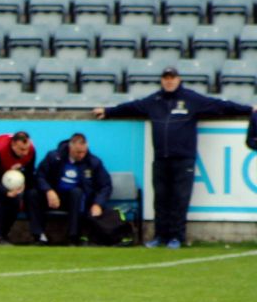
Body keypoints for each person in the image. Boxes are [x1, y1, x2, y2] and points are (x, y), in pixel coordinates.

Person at [94, 66, 254, 248]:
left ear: (178, 79)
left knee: (179, 200)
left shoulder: (191, 99)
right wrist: (108, 111)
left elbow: (220, 106)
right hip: (161, 158)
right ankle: (160, 236)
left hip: (183, 158)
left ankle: (177, 237)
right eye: (166, 78)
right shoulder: (154, 100)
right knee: (161, 199)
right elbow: (131, 107)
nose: (169, 81)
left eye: (172, 78)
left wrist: (249, 109)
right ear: (162, 80)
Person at [34, 133, 113, 246]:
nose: (81, 155)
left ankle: (73, 237)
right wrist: (48, 190)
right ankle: (39, 236)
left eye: (83, 152)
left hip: (77, 200)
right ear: (70, 148)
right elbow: (40, 176)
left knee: (77, 193)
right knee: (33, 194)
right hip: (53, 198)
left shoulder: (93, 162)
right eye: (78, 152)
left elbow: (106, 185)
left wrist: (97, 204)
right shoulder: (54, 157)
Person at [0, 131, 39, 246]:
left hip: (12, 177)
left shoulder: (31, 151)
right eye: (21, 149)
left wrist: (23, 184)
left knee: (16, 202)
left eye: (26, 149)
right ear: (13, 145)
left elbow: (29, 172)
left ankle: (4, 234)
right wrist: (5, 192)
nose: (25, 153)